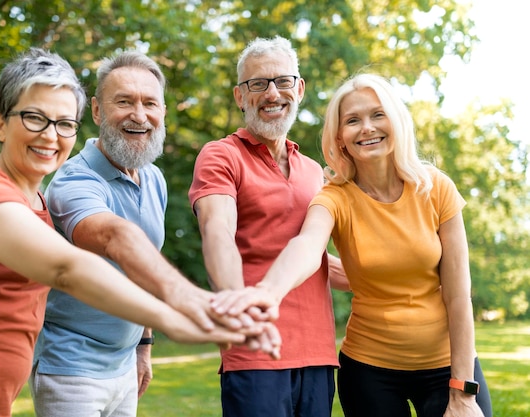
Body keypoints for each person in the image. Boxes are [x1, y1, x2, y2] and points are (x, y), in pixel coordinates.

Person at [0, 48, 252, 417]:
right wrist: (177, 312)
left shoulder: (34, 200)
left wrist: (144, 342)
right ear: (2, 123)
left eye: (64, 123)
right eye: (35, 118)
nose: (50, 136)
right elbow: (67, 268)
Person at [211, 73, 493, 417]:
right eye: (353, 121)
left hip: (446, 366)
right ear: (340, 137)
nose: (367, 128)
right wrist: (269, 292)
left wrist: (462, 392)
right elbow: (307, 247)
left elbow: (458, 295)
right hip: (370, 371)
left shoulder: (435, 188)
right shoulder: (333, 197)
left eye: (378, 115)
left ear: (397, 121)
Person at [29, 51, 280, 417]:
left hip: (124, 366)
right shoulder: (74, 180)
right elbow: (116, 238)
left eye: (150, 103)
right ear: (97, 111)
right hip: (71, 368)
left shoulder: (153, 178)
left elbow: (143, 266)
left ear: (163, 112)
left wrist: (143, 347)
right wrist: (192, 301)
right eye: (124, 102)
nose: (139, 114)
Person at [189, 36, 348, 417]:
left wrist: (406, 281)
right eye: (257, 84)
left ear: (300, 88)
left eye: (282, 81)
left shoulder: (314, 171)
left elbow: (314, 258)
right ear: (240, 96)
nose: (271, 93)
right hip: (254, 348)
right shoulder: (221, 155)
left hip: (319, 352)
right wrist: (240, 311)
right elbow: (218, 232)